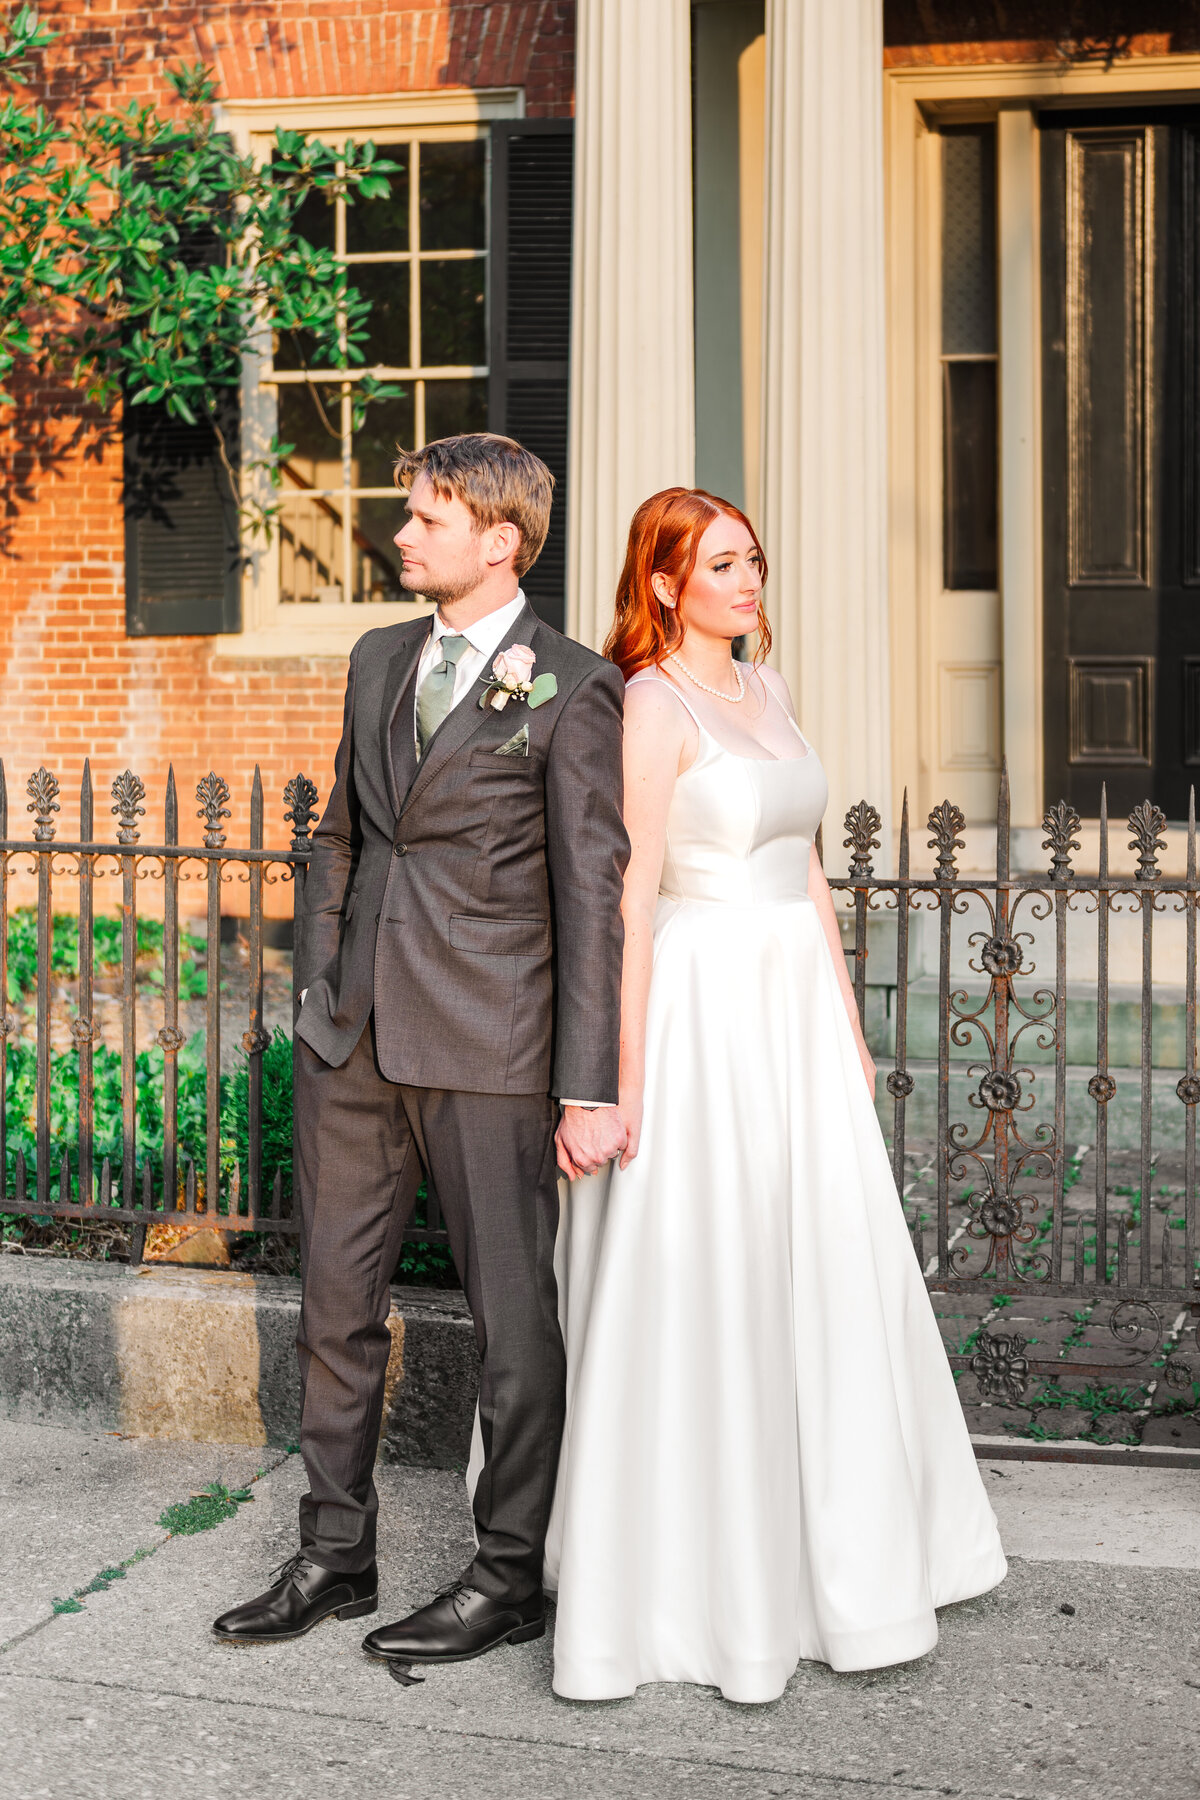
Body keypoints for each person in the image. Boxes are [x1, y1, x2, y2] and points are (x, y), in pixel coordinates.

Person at [544, 488, 1007, 1704]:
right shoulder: (649, 703)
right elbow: (628, 894)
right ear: (663, 584)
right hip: (699, 1009)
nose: (747, 583)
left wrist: (848, 1030)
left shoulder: (771, 686)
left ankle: (841, 1555)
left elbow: (805, 868)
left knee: (819, 1266)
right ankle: (696, 1579)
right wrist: (614, 1073)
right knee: (711, 1271)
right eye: (721, 566)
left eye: (753, 561)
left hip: (793, 1011)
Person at [212, 434, 629, 1666]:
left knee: (514, 1325)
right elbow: (337, 832)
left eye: (425, 519)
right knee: (335, 1311)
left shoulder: (574, 685)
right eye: (409, 514)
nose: (400, 535)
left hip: (494, 1046)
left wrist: (587, 1080)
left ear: (499, 540)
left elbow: (589, 893)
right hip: (353, 1038)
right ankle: (334, 1552)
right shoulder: (379, 657)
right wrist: (326, 975)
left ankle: (508, 1577)